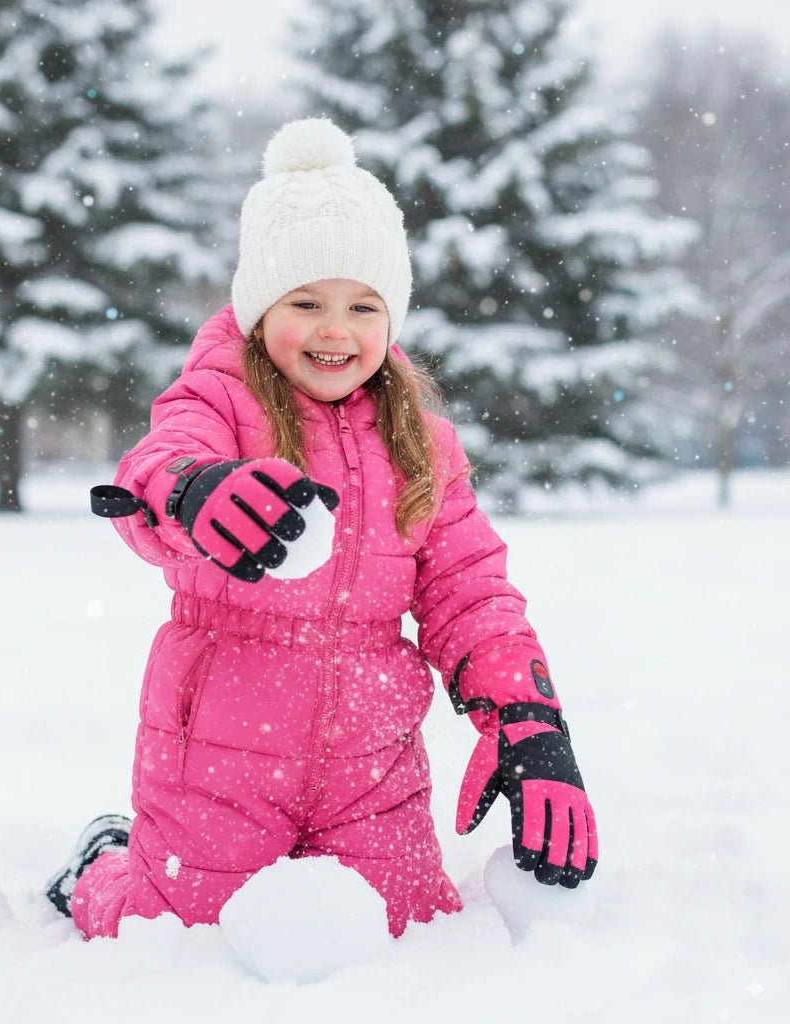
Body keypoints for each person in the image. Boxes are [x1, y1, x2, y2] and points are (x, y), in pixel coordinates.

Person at [46, 117, 598, 940]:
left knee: (404, 928)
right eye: (305, 302)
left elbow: (471, 591)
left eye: (363, 305)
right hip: (218, 749)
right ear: (260, 308)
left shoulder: (424, 443)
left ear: (393, 316)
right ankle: (104, 864)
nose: (335, 330)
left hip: (371, 759)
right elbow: (155, 467)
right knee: (177, 932)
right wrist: (197, 491)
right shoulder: (219, 400)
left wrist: (528, 721)